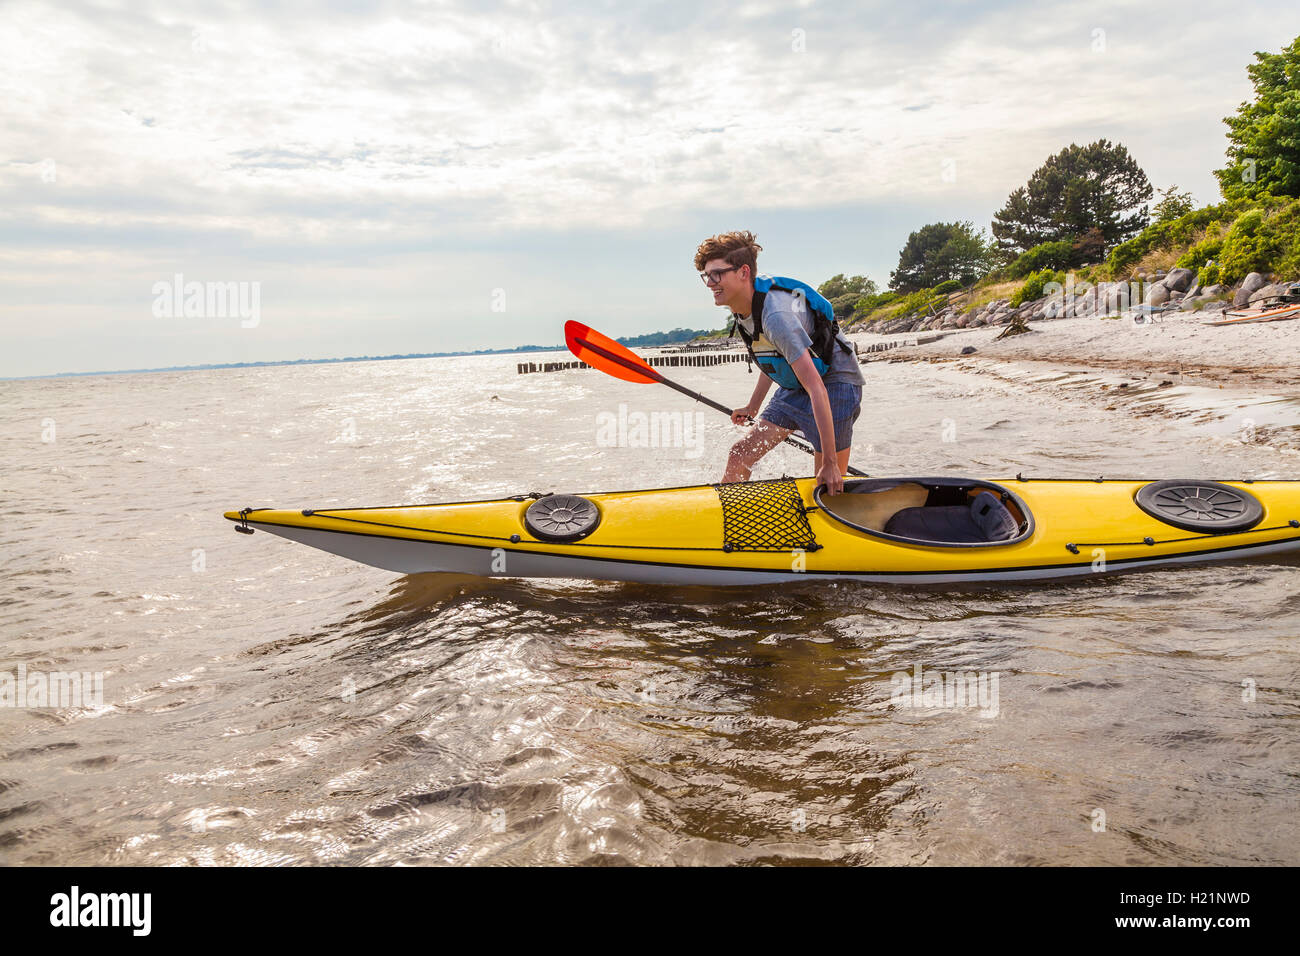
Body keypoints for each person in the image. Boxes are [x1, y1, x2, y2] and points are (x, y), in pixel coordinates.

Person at [695, 231, 863, 495]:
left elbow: (817, 388)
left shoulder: (775, 316)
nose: (709, 283)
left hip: (835, 382)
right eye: (706, 275)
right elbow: (776, 360)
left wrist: (830, 462)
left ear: (743, 272)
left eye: (717, 274)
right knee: (740, 454)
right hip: (799, 384)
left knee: (826, 484)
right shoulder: (743, 309)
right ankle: (732, 522)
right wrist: (753, 406)